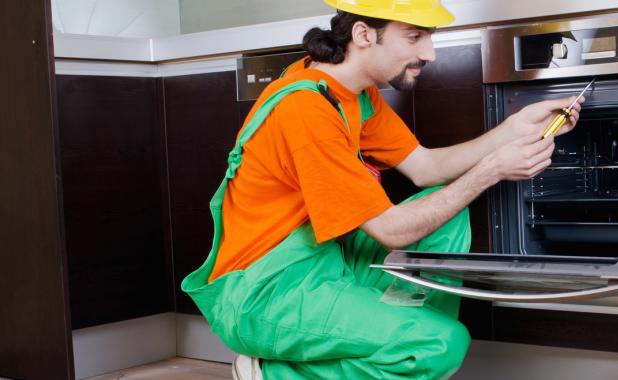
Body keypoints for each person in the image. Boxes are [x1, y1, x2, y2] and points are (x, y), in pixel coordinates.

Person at [181, 0, 583, 379]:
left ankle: (389, 329)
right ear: (363, 34)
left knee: (444, 214)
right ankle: (274, 372)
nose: (430, 53)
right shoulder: (306, 110)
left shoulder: (353, 94)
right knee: (439, 345)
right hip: (267, 293)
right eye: (414, 36)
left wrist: (514, 128)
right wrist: (490, 171)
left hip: (323, 265)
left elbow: (426, 168)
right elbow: (391, 231)